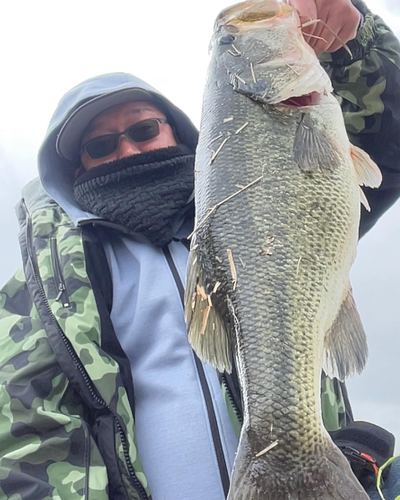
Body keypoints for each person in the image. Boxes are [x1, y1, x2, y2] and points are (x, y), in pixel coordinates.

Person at [0, 0, 399, 499]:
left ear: (181, 132)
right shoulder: (40, 292)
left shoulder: (257, 201)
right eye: (100, 146)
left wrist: (354, 33)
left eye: (144, 129)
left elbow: (390, 131)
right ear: (76, 169)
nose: (127, 149)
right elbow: (26, 442)